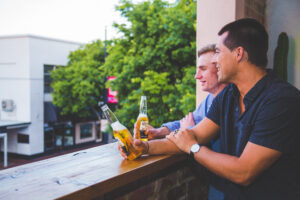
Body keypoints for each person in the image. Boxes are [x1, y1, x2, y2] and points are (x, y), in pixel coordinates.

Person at [120, 18, 300, 200]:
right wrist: (144, 148)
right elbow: (195, 135)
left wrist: (194, 148)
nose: (215, 59)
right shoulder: (228, 95)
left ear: (238, 53)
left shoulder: (282, 100)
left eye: (218, 52)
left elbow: (244, 172)